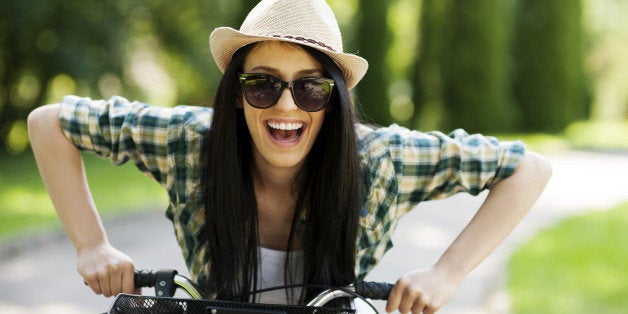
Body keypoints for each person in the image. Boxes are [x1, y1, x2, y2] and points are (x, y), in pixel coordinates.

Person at [27, 0, 552, 313]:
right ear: (236, 93)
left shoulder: (381, 159)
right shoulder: (191, 141)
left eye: (310, 89)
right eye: (262, 85)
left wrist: (447, 273)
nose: (285, 106)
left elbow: (528, 168)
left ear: (335, 101)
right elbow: (48, 122)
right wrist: (91, 245)